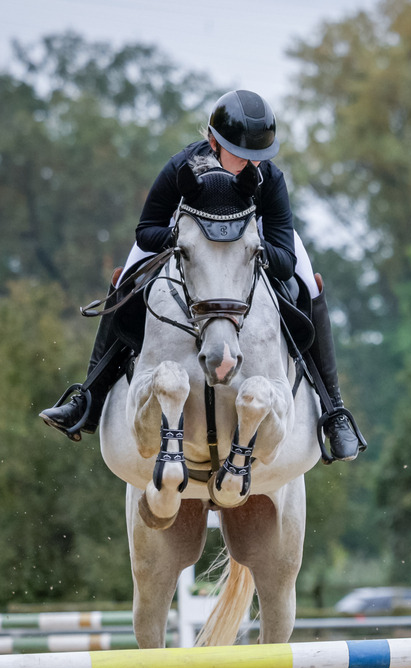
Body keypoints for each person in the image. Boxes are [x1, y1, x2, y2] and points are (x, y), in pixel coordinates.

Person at [40, 89, 365, 461]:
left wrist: (253, 249)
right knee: (124, 278)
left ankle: (333, 411)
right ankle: (89, 399)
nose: (251, 164)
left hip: (250, 247)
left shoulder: (269, 179)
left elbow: (285, 259)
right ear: (213, 141)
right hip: (187, 244)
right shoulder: (182, 167)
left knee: (309, 282)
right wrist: (179, 241)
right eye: (242, 155)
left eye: (258, 157)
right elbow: (146, 230)